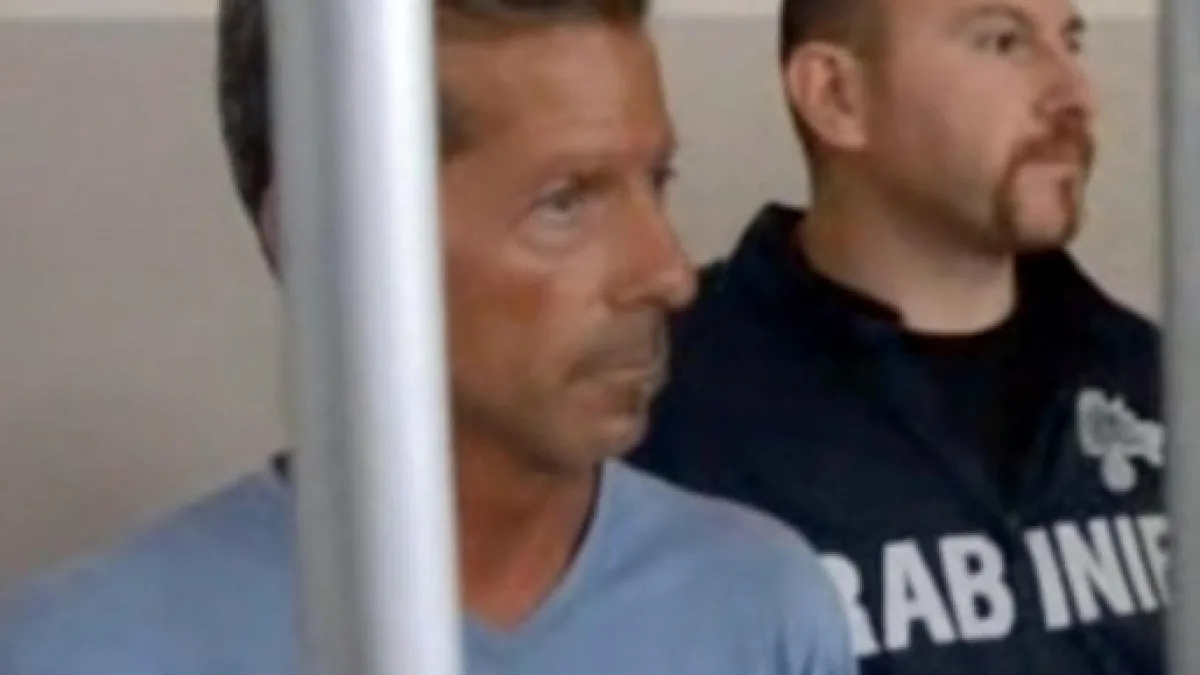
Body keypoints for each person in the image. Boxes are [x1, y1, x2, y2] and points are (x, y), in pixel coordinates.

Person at [0, 1, 858, 673]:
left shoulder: (757, 610)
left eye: (656, 181)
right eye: (565, 202)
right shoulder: (88, 651)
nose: (668, 272)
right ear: (327, 230)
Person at [629, 0, 1165, 673]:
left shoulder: (1157, 379)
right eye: (1003, 42)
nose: (1075, 95)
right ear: (837, 96)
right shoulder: (655, 405)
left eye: (1071, 42)